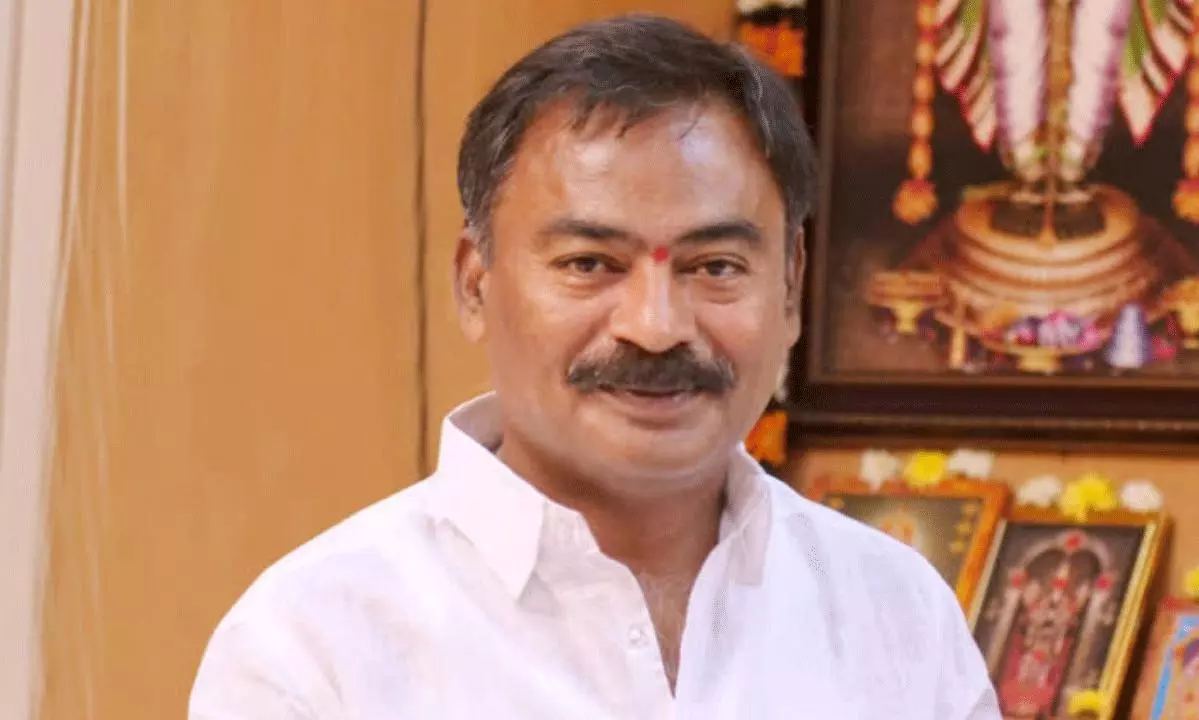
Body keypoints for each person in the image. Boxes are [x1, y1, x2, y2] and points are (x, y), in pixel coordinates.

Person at [189, 14, 1000, 719]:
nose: (656, 327)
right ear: (475, 284)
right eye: (589, 263)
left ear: (789, 290)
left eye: (715, 266)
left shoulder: (896, 615)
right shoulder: (315, 645)